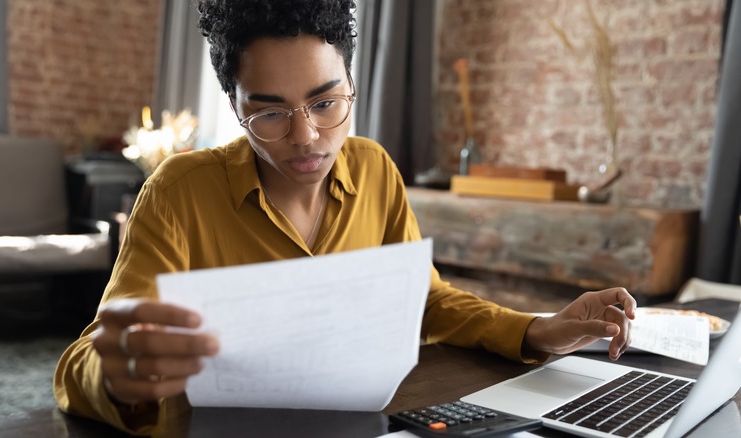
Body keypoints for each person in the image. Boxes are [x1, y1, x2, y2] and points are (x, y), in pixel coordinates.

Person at [53, 0, 637, 435]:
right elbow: (84, 361)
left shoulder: (376, 171)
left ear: (353, 85)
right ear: (235, 106)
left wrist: (537, 329)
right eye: (270, 113)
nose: (306, 137)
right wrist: (116, 377)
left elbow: (425, 301)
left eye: (326, 102)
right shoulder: (179, 192)